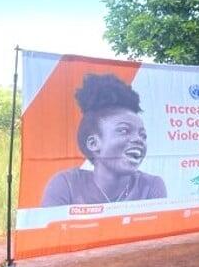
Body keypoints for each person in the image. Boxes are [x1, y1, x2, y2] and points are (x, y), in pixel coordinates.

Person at [42, 73, 166, 207]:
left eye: (143, 135)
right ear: (93, 143)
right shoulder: (66, 185)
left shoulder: (151, 186)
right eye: (124, 130)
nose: (138, 140)